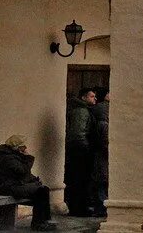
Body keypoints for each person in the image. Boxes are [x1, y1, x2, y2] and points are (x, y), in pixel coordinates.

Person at [0, 136, 55, 231]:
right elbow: (22, 171)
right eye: (23, 147)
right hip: (5, 187)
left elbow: (23, 174)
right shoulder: (8, 158)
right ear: (18, 147)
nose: (25, 148)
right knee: (42, 191)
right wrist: (28, 158)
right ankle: (39, 223)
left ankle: (44, 221)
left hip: (12, 185)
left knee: (43, 189)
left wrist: (34, 180)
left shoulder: (10, 155)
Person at [63, 87, 96, 216]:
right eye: (92, 96)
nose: (95, 99)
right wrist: (85, 148)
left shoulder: (83, 110)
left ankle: (79, 207)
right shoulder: (81, 111)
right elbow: (78, 133)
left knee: (80, 180)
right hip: (79, 151)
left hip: (79, 149)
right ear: (83, 97)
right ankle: (78, 209)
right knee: (79, 180)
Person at [89, 90, 110, 217]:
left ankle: (100, 208)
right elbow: (105, 143)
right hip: (103, 157)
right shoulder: (104, 125)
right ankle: (101, 208)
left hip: (99, 156)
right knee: (102, 183)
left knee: (100, 182)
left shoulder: (98, 122)